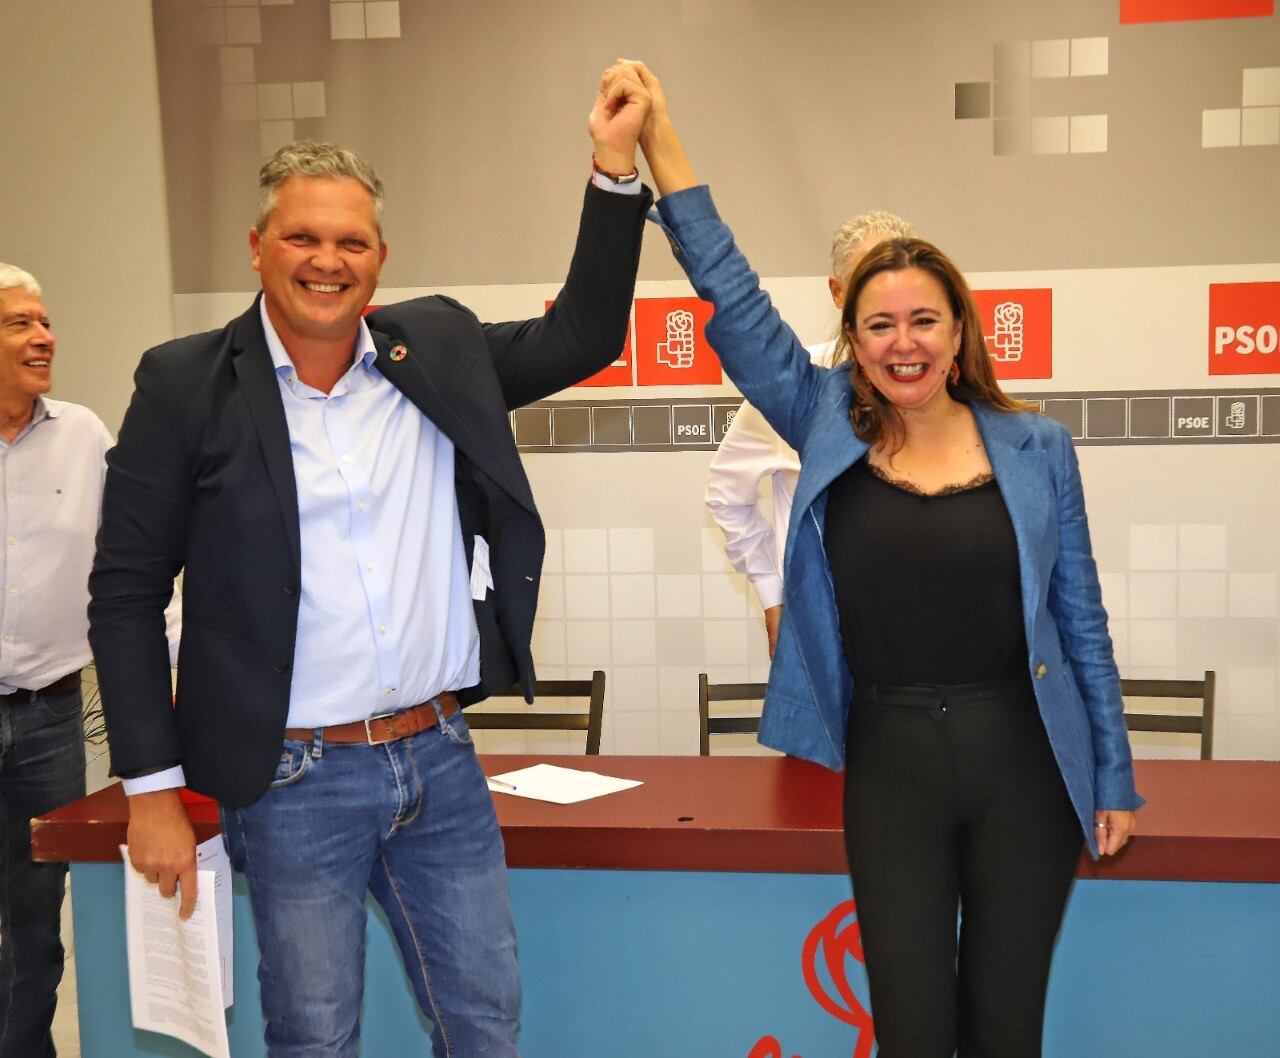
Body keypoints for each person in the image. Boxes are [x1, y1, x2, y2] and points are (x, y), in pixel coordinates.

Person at [89, 67, 653, 1058]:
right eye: (301, 236)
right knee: (314, 1035)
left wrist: (613, 170)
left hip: (438, 756)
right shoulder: (184, 384)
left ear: (379, 260)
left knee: (484, 1020)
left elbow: (585, 333)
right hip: (293, 776)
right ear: (257, 247)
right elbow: (127, 595)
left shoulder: (432, 348)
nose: (325, 260)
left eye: (351, 241)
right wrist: (150, 789)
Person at [624, 61, 1141, 1058]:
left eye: (921, 320)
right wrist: (662, 141)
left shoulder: (1035, 446)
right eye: (877, 324)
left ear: (957, 330)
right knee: (907, 1029)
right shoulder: (819, 419)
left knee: (1003, 1028)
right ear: (851, 340)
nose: (901, 343)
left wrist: (1111, 771)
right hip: (889, 761)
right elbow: (729, 295)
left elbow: (1079, 616)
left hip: (1023, 763)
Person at [705, 211, 913, 656]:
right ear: (838, 293)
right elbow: (725, 495)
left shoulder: (934, 391)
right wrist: (771, 595)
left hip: (918, 627)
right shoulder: (797, 387)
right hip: (819, 632)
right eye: (867, 284)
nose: (885, 304)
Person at [0, 263, 111, 1058]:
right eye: (20, 325)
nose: (45, 338)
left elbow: (129, 567)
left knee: (36, 921)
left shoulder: (83, 436)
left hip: (48, 714)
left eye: (44, 322)